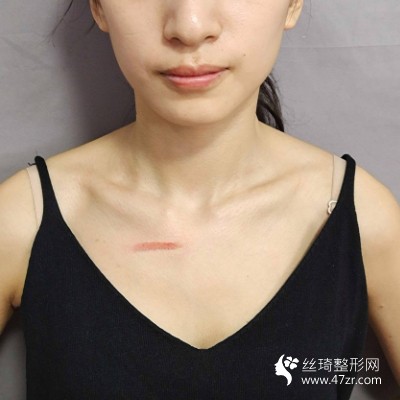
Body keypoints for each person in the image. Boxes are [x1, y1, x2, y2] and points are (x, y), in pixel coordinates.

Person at [0, 0, 399, 398]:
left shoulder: (366, 220)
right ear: (99, 7)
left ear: (293, 4)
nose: (189, 27)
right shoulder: (21, 219)